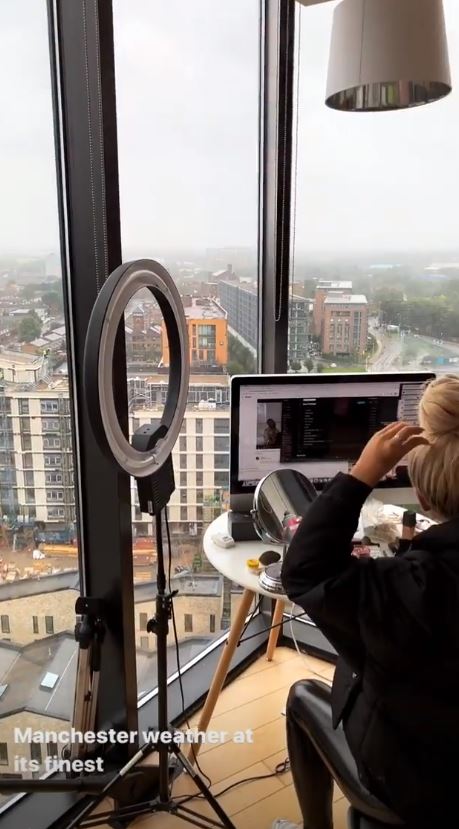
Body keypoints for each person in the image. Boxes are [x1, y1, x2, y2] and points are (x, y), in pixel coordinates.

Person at [273, 375, 459, 829]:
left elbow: (304, 572)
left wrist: (361, 474)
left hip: (422, 785)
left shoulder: (419, 586)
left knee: (300, 697)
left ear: (424, 490)